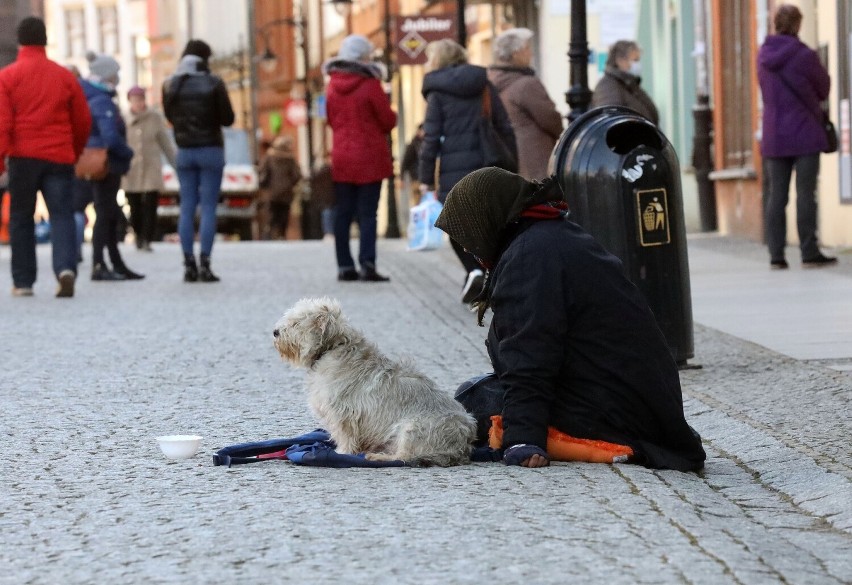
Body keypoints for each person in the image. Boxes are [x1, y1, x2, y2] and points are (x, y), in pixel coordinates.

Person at [435, 167, 706, 471]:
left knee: (475, 402)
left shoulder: (529, 259)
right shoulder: (552, 237)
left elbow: (529, 357)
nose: (469, 247)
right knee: (482, 393)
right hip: (638, 406)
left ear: (488, 218)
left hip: (615, 415)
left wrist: (523, 440)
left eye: (467, 235)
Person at [418, 39, 516, 304]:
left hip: (454, 171)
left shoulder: (437, 92)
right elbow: (504, 126)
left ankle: (475, 270)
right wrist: (513, 166)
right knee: (490, 225)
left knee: (455, 226)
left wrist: (425, 178)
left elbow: (430, 139)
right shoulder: (483, 84)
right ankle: (489, 276)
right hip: (488, 165)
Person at [0, 17, 91, 298]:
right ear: (45, 41)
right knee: (62, 214)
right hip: (59, 156)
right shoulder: (64, 76)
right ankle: (65, 269)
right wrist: (73, 151)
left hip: (23, 157)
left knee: (21, 218)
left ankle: (24, 282)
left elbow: (3, 123)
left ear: (20, 42)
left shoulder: (7, 77)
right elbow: (83, 120)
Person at [757, 5, 836, 269]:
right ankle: (809, 253)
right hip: (804, 134)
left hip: (774, 135)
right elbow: (823, 88)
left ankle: (776, 256)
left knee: (776, 196)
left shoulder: (763, 56)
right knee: (806, 194)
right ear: (798, 25)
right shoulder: (805, 55)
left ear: (775, 24)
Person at [324, 35, 397, 282]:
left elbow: (331, 120)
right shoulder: (370, 84)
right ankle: (367, 264)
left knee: (342, 213)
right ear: (362, 56)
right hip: (369, 157)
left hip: (342, 156)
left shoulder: (332, 85)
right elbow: (387, 120)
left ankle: (344, 266)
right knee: (368, 214)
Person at [163, 39, 235, 283]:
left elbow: (170, 117)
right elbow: (228, 119)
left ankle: (188, 265)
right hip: (211, 151)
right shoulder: (213, 83)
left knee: (186, 208)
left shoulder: (171, 85)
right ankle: (205, 264)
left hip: (184, 152)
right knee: (208, 208)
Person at [80, 51, 141, 282]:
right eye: (115, 74)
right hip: (105, 163)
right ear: (107, 75)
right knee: (105, 215)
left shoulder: (95, 96)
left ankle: (114, 263)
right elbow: (111, 137)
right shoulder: (101, 100)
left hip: (103, 162)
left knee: (109, 214)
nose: (117, 78)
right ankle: (99, 264)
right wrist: (128, 152)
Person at [488, 28, 563, 181]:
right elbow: (551, 119)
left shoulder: (490, 81)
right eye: (527, 49)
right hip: (534, 160)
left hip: (507, 159)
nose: (531, 53)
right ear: (516, 53)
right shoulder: (527, 85)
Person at [123, 85, 176, 251]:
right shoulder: (123, 119)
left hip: (151, 167)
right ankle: (138, 235)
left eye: (140, 99)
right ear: (130, 101)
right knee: (134, 205)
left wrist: (176, 163)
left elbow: (165, 142)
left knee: (151, 204)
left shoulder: (154, 118)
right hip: (130, 169)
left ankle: (147, 238)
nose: (138, 103)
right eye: (135, 100)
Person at [590, 40, 659, 125]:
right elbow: (611, 124)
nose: (638, 64)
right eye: (635, 60)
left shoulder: (630, 85)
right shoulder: (608, 87)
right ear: (621, 61)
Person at [257, 135, 302, 240]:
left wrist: (263, 184)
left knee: (271, 214)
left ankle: (269, 233)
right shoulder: (290, 158)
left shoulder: (269, 157)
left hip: (272, 192)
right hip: (286, 192)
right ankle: (281, 234)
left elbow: (263, 173)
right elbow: (297, 175)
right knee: (284, 214)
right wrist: (291, 184)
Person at [400, 123, 424, 206]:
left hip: (424, 178)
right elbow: (405, 162)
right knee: (418, 202)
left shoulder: (425, 143)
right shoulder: (413, 145)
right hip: (416, 178)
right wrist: (402, 178)